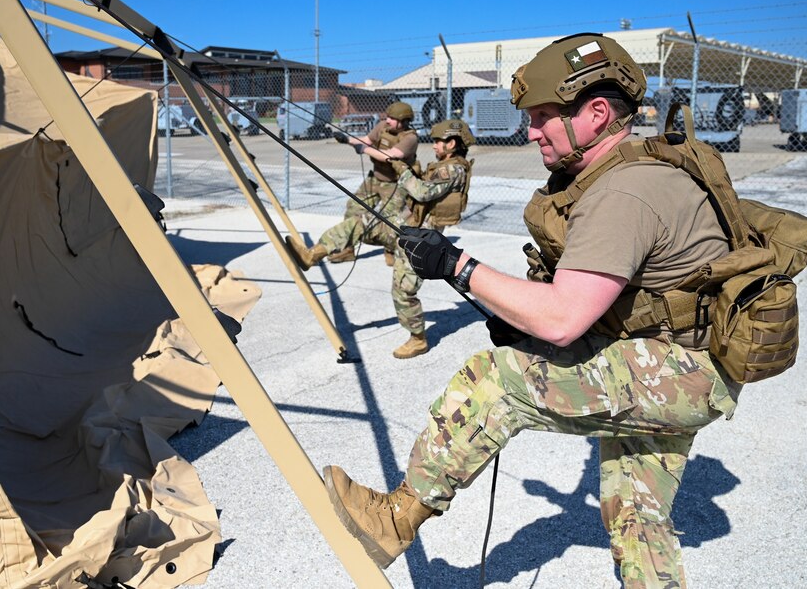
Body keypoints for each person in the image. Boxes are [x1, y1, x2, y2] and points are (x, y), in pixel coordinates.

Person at [322, 33, 743, 588]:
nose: (531, 129)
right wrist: (517, 314)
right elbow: (613, 300)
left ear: (596, 113)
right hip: (686, 366)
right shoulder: (635, 172)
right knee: (638, 516)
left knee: (493, 382)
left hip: (674, 373)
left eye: (544, 116)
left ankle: (395, 519)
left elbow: (563, 317)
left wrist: (457, 264)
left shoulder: (626, 192)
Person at [285, 120, 475, 358]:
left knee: (403, 291)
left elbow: (421, 192)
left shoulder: (453, 169)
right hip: (406, 226)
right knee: (360, 222)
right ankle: (313, 255)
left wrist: (403, 171)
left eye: (438, 141)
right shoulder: (441, 165)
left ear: (452, 143)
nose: (434, 145)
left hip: (424, 240)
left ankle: (418, 339)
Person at [328, 101, 419, 265]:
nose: (388, 120)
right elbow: (366, 140)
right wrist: (347, 140)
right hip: (375, 178)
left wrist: (364, 149)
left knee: (391, 219)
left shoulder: (410, 138)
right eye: (388, 117)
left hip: (395, 184)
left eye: (392, 118)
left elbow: (390, 155)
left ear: (403, 121)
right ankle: (347, 249)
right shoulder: (382, 126)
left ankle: (391, 250)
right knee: (353, 208)